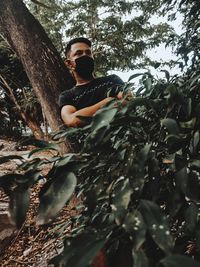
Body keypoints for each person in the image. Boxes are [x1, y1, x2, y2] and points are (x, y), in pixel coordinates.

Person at [59, 37, 125, 127]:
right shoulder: (67, 96)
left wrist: (86, 114)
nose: (85, 56)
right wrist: (109, 101)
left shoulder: (112, 80)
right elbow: (72, 120)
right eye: (79, 53)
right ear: (70, 64)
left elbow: (127, 100)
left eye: (88, 53)